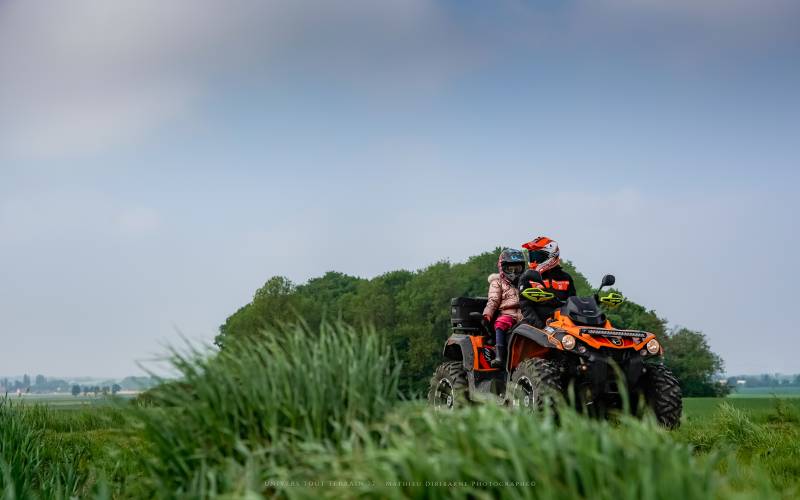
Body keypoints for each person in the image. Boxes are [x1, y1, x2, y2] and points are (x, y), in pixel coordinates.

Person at [518, 236, 577, 328]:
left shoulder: (566, 278)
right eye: (532, 256)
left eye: (538, 257)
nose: (534, 261)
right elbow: (525, 306)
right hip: (535, 324)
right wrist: (541, 327)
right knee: (519, 331)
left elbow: (573, 303)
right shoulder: (527, 277)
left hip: (562, 324)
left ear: (552, 256)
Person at [482, 248, 526, 368]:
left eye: (517, 269)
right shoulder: (497, 282)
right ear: (502, 268)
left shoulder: (526, 282)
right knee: (500, 323)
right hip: (507, 314)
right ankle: (500, 355)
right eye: (509, 269)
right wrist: (487, 315)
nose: (513, 272)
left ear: (523, 267)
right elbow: (493, 300)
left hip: (525, 313)